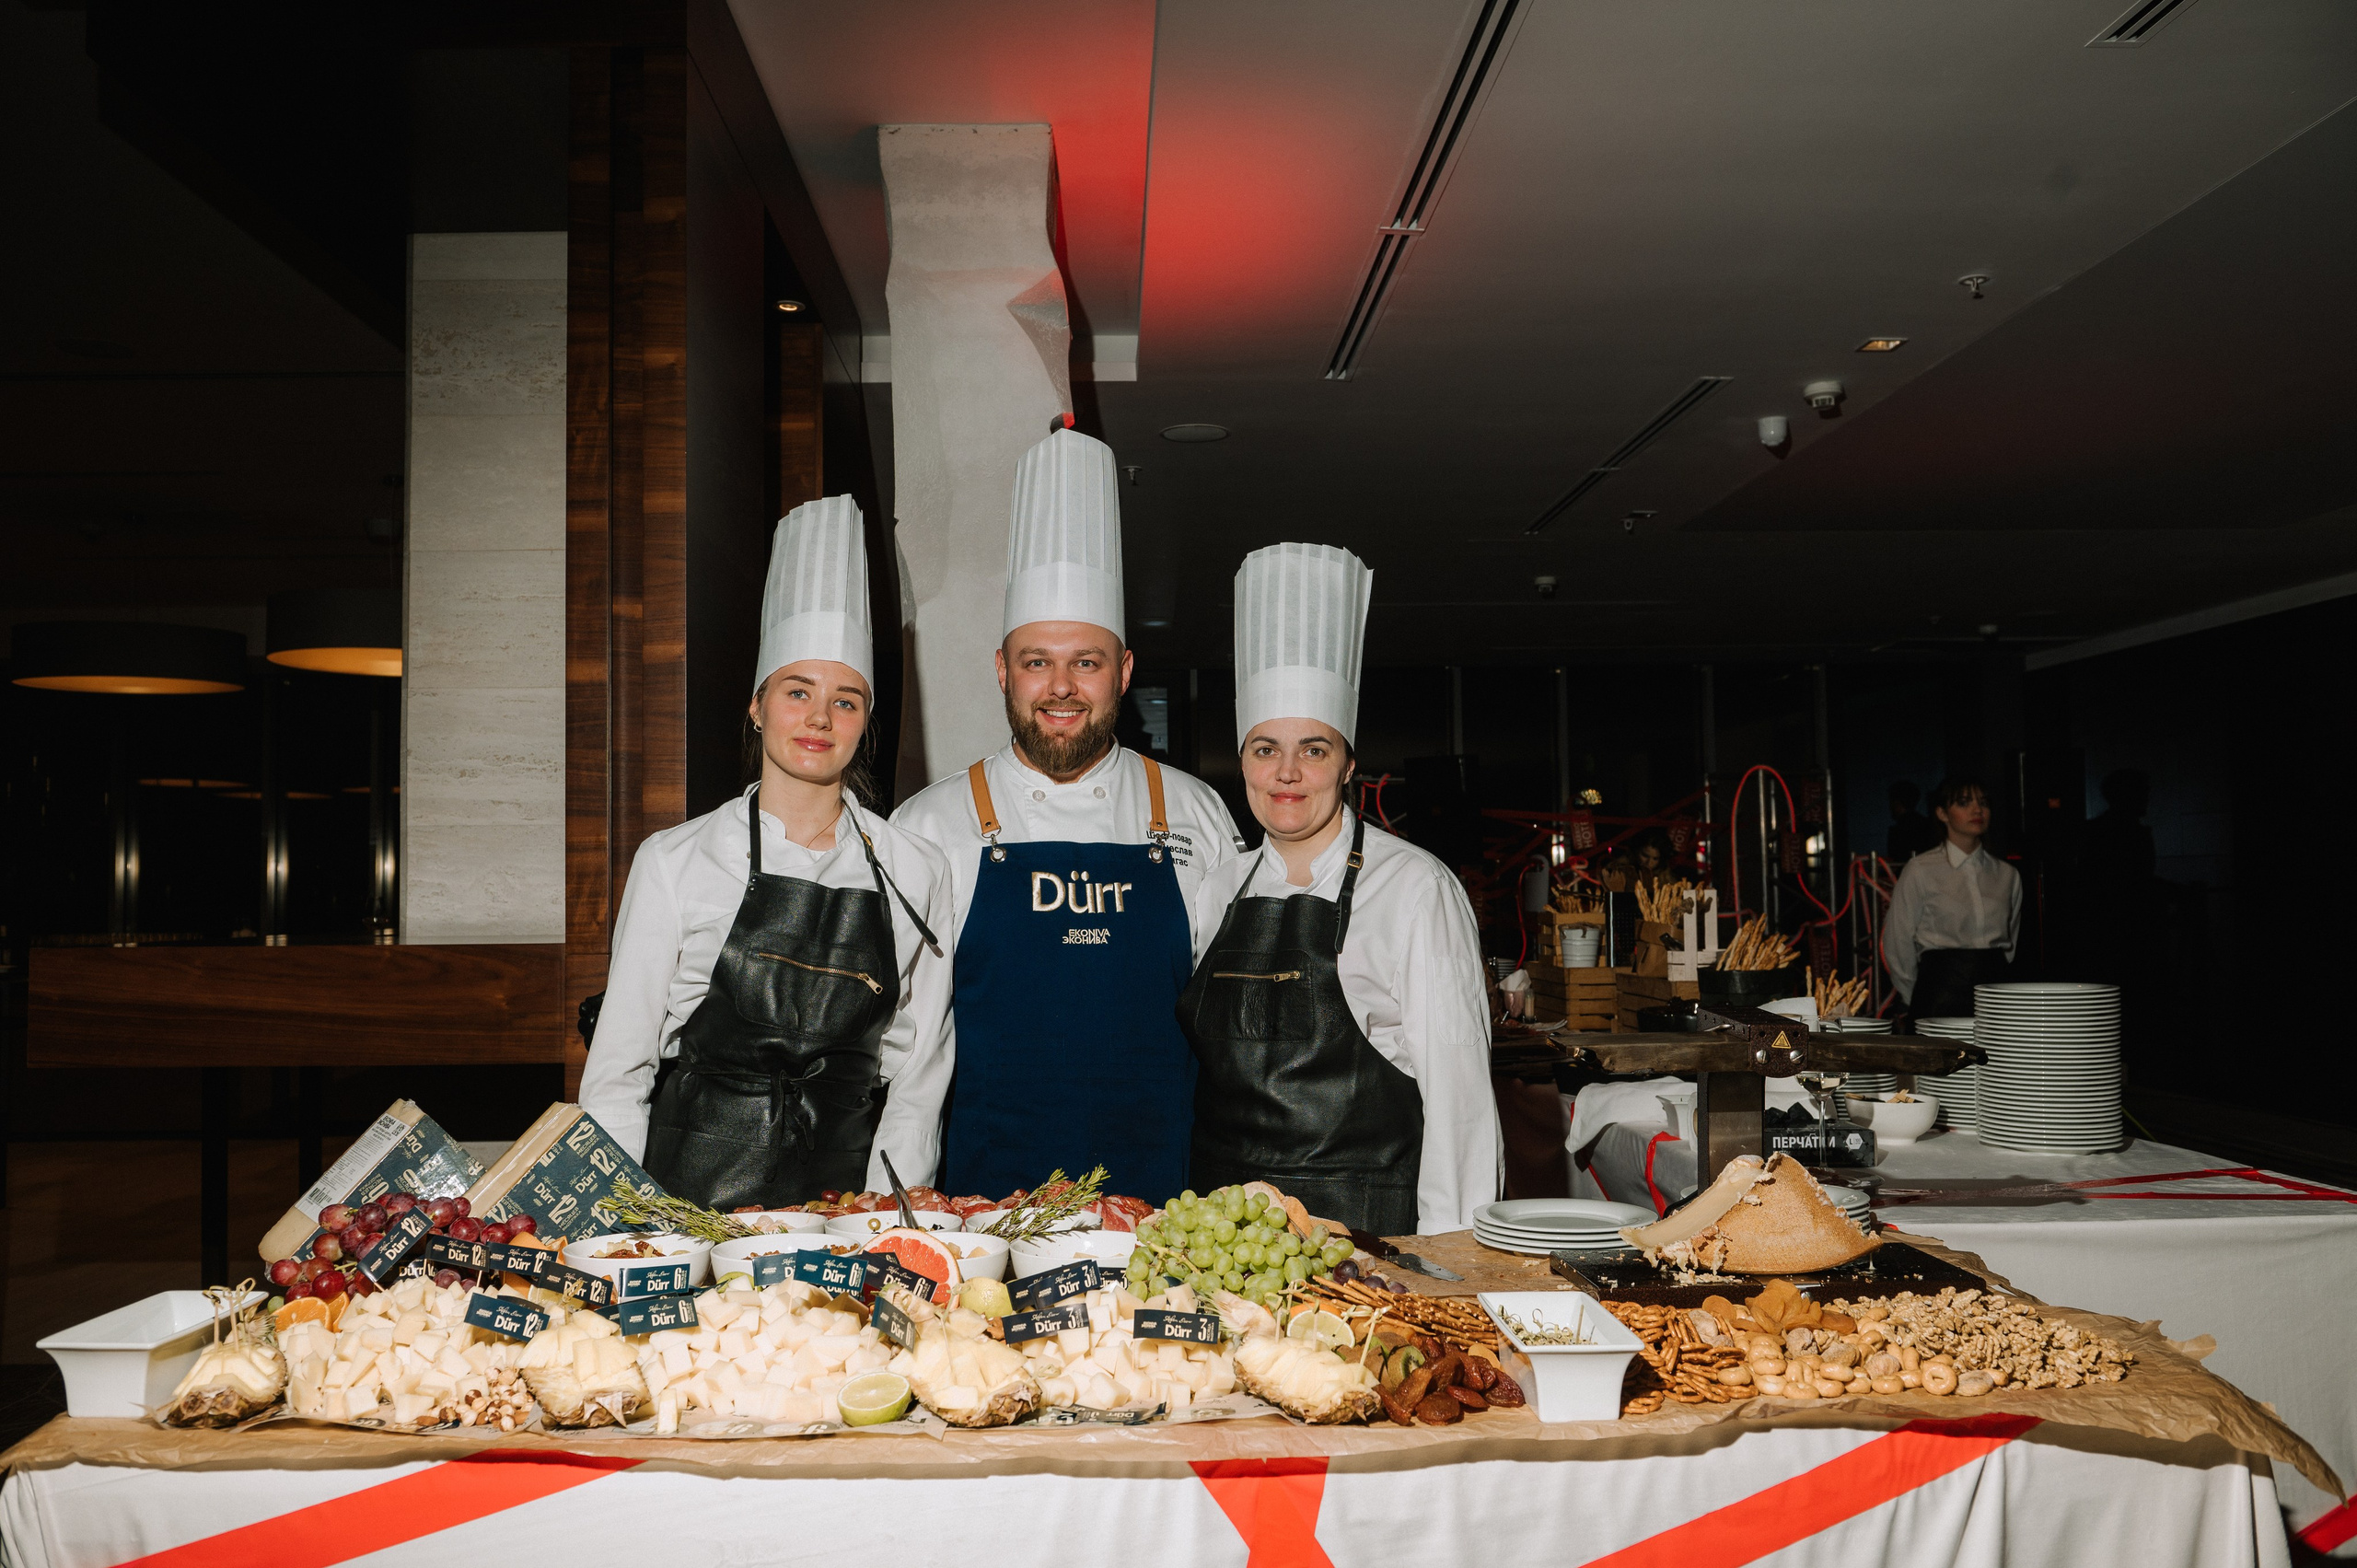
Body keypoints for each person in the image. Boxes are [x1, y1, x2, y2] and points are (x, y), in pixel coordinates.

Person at [893, 422, 1243, 1202]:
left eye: (1085, 661)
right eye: (1036, 662)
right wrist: (905, 1209)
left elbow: (1234, 1030)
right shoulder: (932, 825)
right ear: (1001, 670)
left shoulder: (1193, 812)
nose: (1060, 687)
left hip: (1168, 1210)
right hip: (988, 1210)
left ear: (1121, 671)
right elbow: (911, 1055)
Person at [580, 496, 956, 1209]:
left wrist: (884, 1227)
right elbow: (618, 1073)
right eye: (797, 691)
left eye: (846, 700)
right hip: (686, 1214)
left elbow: (918, 1078)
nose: (819, 717)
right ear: (757, 705)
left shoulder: (916, 869)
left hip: (839, 1220)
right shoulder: (674, 860)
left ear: (866, 722)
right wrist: (633, 1230)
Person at [1181, 542, 1499, 1235]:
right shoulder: (1217, 887)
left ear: (1349, 761)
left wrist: (1459, 1273)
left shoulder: (1415, 889)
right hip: (1222, 1240)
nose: (1288, 772)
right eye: (1266, 748)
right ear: (1242, 761)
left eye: (1314, 749)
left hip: (1366, 1246)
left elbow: (1461, 1107)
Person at [1882, 776, 2022, 1018]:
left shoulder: (2007, 874)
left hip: (1997, 994)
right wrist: (1914, 994)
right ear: (1942, 813)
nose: (1977, 809)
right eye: (1964, 802)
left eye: (1983, 802)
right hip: (1939, 992)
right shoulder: (1920, 869)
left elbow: (2011, 943)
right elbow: (1897, 942)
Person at [1886, 781, 1939, 863]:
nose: (1890, 807)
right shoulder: (1928, 825)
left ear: (1897, 804)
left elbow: (1896, 861)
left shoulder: (1897, 831)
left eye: (1891, 803)